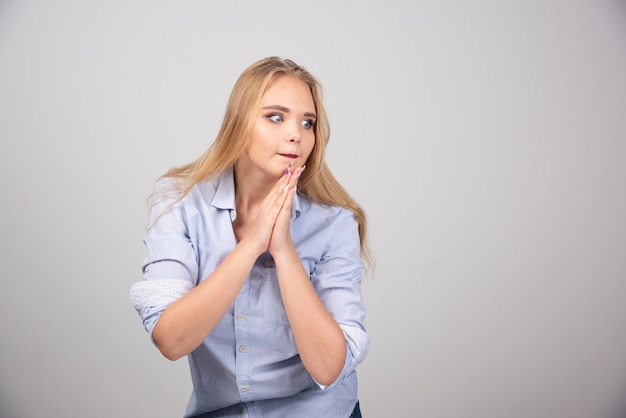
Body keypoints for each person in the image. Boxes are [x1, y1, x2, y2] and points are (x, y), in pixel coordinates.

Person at [130, 56, 372, 418]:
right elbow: (171, 339)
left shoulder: (335, 223)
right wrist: (252, 245)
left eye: (308, 123)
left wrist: (283, 250)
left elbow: (329, 367)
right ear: (239, 122)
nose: (296, 134)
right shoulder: (180, 201)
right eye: (276, 117)